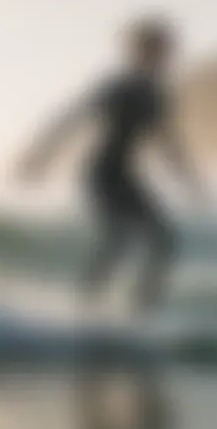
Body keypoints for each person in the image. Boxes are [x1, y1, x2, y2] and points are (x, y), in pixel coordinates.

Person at [18, 17, 204, 316]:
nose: (167, 56)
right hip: (101, 172)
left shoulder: (156, 94)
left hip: (125, 174)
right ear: (140, 50)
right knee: (122, 238)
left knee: (164, 241)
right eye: (160, 49)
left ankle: (139, 313)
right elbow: (72, 115)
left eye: (168, 50)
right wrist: (39, 155)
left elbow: (168, 141)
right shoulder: (118, 86)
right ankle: (84, 307)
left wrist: (191, 180)